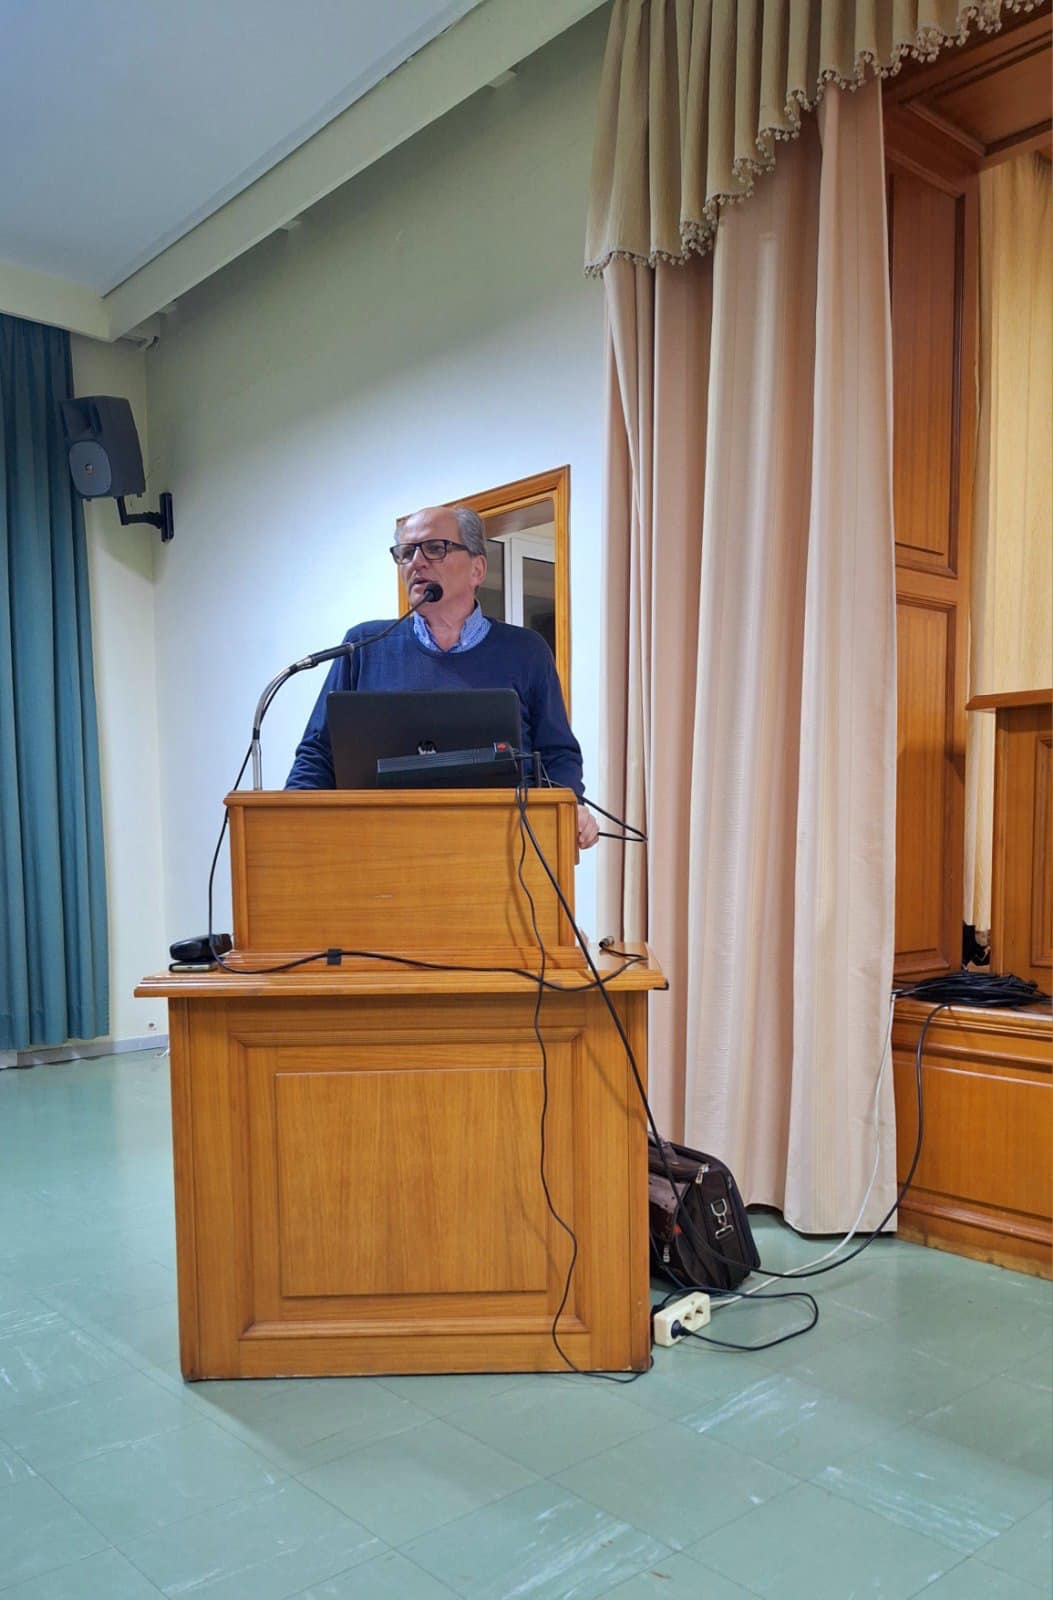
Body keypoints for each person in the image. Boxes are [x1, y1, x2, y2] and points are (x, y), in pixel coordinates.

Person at [285, 505, 600, 849]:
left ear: (477, 569)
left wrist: (568, 807)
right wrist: (289, 829)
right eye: (406, 553)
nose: (416, 562)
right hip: (377, 849)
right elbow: (317, 754)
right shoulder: (363, 646)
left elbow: (557, 755)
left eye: (435, 548)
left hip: (500, 851)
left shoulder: (526, 651)